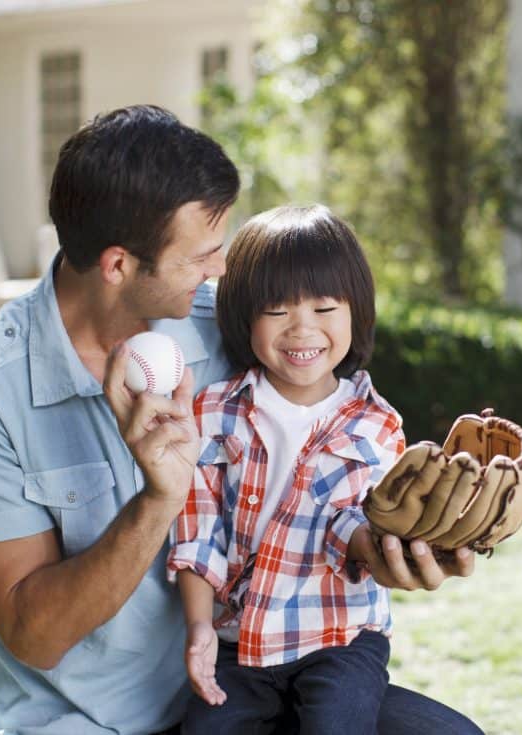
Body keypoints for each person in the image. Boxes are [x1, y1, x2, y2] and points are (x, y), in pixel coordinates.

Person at [0, 104, 480, 734]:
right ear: (119, 265)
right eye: (201, 255)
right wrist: (160, 498)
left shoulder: (231, 325)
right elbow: (34, 636)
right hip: (74, 717)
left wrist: (391, 547)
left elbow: (328, 446)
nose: (220, 270)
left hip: (252, 670)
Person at [169, 204, 402, 734]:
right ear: (244, 316)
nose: (303, 329)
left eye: (324, 307)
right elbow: (199, 528)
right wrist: (200, 626)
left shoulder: (377, 425)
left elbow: (361, 527)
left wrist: (390, 543)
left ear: (355, 311)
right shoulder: (215, 412)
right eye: (277, 310)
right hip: (238, 640)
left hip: (340, 638)